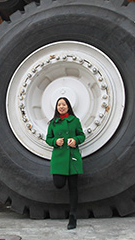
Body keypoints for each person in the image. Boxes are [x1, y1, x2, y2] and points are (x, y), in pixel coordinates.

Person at [45, 97, 85, 230]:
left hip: (72, 158)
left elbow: (82, 136)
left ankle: (73, 216)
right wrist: (55, 141)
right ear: (56, 107)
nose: (61, 107)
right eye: (59, 105)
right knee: (59, 184)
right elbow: (48, 139)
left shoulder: (75, 121)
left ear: (68, 106)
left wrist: (75, 140)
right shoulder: (53, 123)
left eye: (64, 104)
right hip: (58, 158)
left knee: (73, 188)